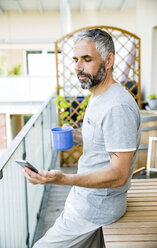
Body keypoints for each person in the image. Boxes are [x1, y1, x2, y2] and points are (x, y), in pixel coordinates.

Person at [24, 28, 141, 248]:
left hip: (96, 208)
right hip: (85, 201)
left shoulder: (117, 106)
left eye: (86, 59)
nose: (78, 67)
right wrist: (76, 135)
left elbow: (119, 174)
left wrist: (62, 179)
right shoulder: (99, 95)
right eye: (76, 59)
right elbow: (103, 141)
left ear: (109, 60)